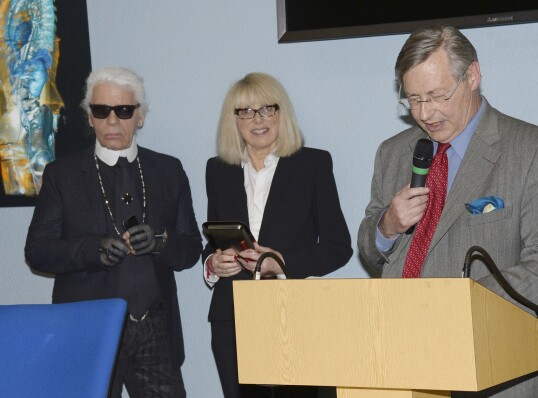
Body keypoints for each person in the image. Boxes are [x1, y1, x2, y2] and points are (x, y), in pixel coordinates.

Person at [358, 25, 538, 398]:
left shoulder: (536, 150)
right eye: (413, 100)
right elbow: (370, 249)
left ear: (473, 76)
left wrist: (461, 308)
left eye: (437, 95)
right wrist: (387, 226)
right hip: (402, 363)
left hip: (500, 366)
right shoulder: (392, 153)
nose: (425, 113)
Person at [25, 66, 203, 398]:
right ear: (89, 117)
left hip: (156, 330)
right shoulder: (61, 175)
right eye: (101, 110)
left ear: (140, 116)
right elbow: (37, 251)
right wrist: (93, 250)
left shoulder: (169, 170)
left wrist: (161, 242)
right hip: (89, 327)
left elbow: (191, 249)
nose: (112, 120)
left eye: (123, 110)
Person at [203, 72, 353, 398]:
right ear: (234, 120)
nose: (257, 120)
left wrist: (280, 262)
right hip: (231, 317)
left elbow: (338, 247)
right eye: (245, 111)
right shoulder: (217, 169)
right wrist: (214, 263)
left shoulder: (312, 164)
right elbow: (213, 240)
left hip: (292, 315)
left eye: (267, 109)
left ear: (281, 113)